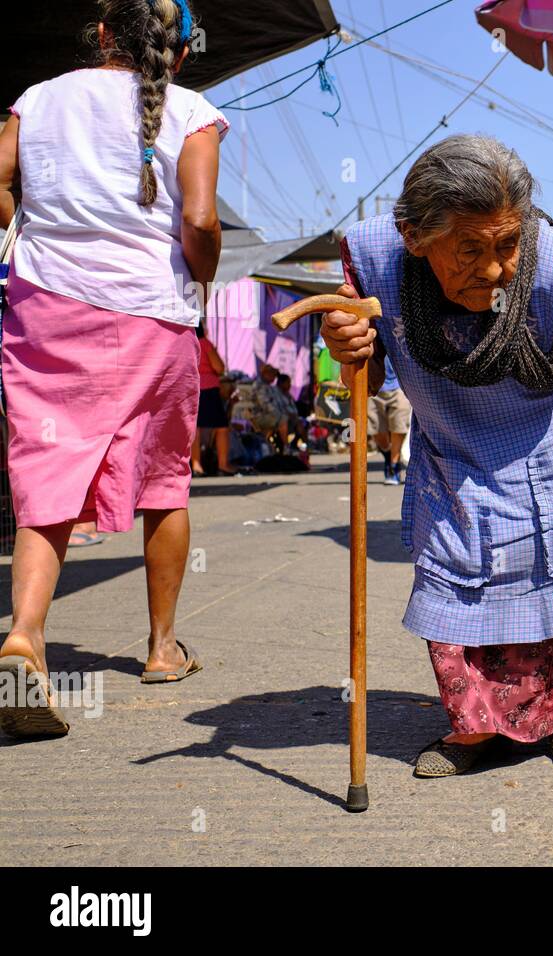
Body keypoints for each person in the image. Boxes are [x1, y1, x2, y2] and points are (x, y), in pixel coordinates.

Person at [322, 134, 553, 776]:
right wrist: (349, 344)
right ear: (414, 236)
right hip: (453, 433)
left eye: (506, 245)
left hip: (551, 425)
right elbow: (369, 368)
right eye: (469, 250)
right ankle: (475, 727)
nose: (493, 271)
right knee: (457, 569)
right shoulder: (375, 257)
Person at [0, 0, 221, 737]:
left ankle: (26, 633)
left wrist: (29, 237)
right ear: (180, 53)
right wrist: (201, 279)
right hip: (152, 313)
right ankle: (162, 649)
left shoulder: (36, 99)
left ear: (100, 36)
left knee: (48, 465)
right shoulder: (192, 111)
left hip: (44, 307)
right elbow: (198, 221)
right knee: (164, 477)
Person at [192, 321, 235, 475]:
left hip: (190, 389)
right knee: (221, 426)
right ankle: (223, 464)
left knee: (194, 428)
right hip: (208, 390)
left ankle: (196, 464)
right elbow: (219, 367)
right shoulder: (204, 344)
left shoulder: (186, 342)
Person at [368, 355, 412, 485]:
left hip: (400, 384)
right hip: (372, 384)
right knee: (375, 429)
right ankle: (388, 453)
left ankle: (394, 465)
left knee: (398, 426)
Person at [248, 362, 300, 450]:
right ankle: (286, 447)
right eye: (272, 375)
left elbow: (275, 405)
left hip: (267, 415)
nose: (274, 377)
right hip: (259, 416)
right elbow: (266, 405)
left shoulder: (269, 387)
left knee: (290, 420)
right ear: (266, 374)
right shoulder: (260, 386)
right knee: (282, 419)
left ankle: (282, 446)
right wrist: (280, 414)